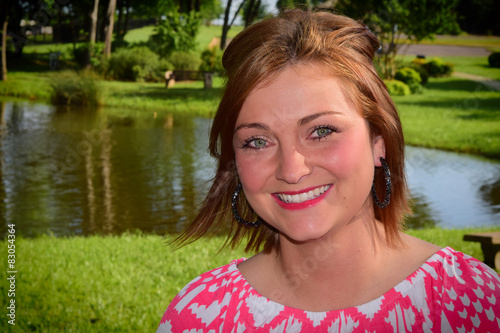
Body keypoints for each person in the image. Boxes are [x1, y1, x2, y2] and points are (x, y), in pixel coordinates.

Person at [157, 9, 500, 332]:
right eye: (257, 141)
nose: (291, 170)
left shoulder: (470, 301)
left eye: (322, 131)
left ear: (378, 141)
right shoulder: (201, 316)